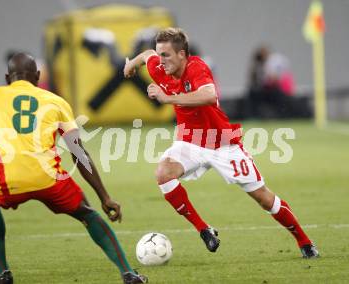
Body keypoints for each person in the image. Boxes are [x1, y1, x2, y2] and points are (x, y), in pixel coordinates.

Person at [0, 53, 147, 284]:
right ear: (38, 76)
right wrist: (104, 197)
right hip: (50, 179)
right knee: (88, 212)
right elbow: (78, 152)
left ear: (7, 77)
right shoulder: (56, 101)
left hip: (8, 179)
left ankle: (1, 272)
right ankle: (128, 273)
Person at [124, 28, 318, 258]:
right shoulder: (160, 66)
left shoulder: (197, 67)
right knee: (163, 173)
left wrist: (169, 98)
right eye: (160, 54)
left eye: (166, 55)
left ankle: (305, 242)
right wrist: (131, 64)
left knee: (263, 198)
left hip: (222, 143)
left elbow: (208, 95)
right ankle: (203, 230)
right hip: (190, 141)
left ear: (183, 55)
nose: (160, 60)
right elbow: (147, 55)